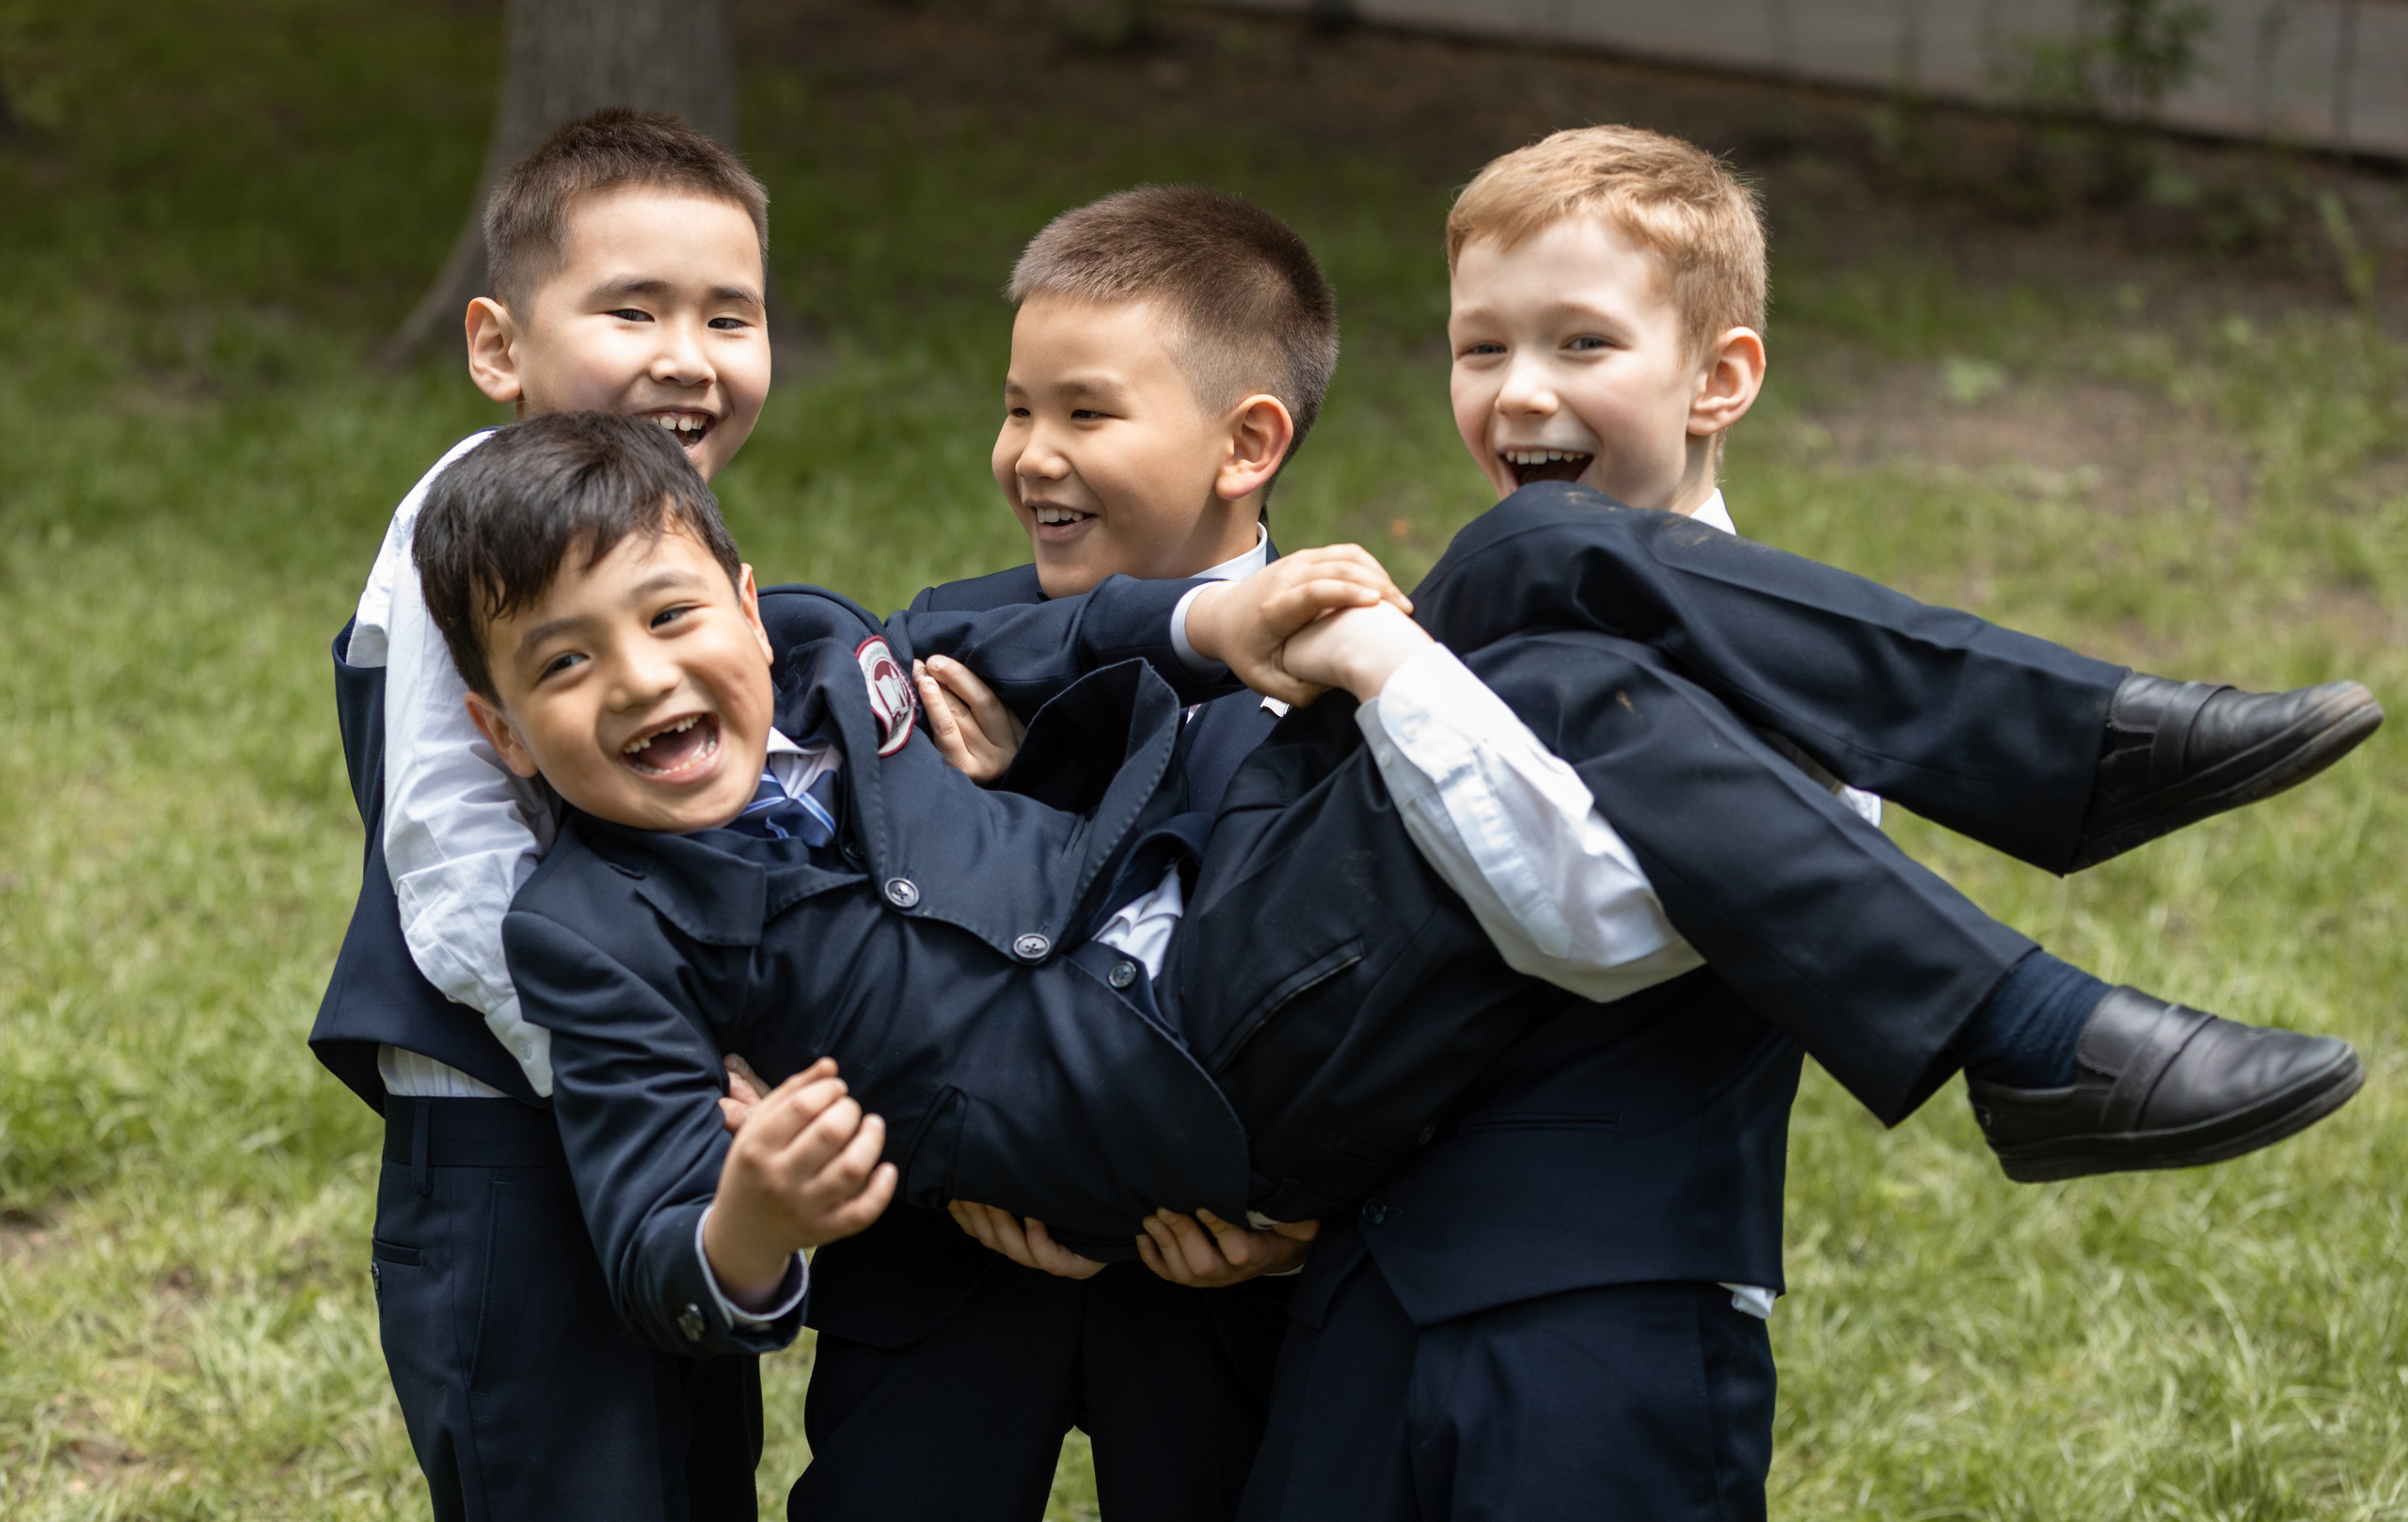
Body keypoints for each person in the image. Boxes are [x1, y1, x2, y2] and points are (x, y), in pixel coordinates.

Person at [414, 415, 2366, 1477]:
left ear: (750, 604)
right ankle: (2025, 1018)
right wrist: (759, 1216)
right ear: (503, 732)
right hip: (1182, 1074)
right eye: (562, 670)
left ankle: (2072, 752)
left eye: (671, 617)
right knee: (1566, 662)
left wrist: (1217, 627)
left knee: (1528, 564)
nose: (645, 682)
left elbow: (1063, 634)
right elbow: (656, 1220)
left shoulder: (845, 640)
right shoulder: (589, 915)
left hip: (1210, 911)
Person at [1228, 123, 2382, 1521]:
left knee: (1535, 585)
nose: (1521, 393)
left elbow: (1597, 925)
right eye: (1483, 350)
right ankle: (2067, 868)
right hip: (1356, 1287)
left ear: (1721, 378)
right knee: (1531, 564)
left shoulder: (1806, 695)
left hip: (1608, 1321)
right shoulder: (1461, 626)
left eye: (1583, 344)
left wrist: (1392, 669)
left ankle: (2062, 907)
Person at [784, 188, 1336, 1522]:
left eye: (1085, 413)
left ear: (1247, 441)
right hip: (949, 1271)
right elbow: (834, 933)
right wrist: (949, 1155)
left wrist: (1295, 1232)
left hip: (1220, 1294)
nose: (1030, 453)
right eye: (1018, 407)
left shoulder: (1342, 683)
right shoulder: (932, 655)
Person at [317, 107, 810, 1522]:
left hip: (636, 1132)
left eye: (731, 315)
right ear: (497, 346)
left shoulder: (647, 529)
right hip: (516, 1148)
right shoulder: (466, 537)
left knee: (688, 1469)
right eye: (632, 309)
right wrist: (645, 1082)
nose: (686, 356)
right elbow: (459, 870)